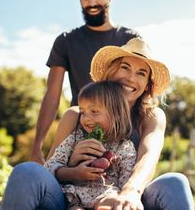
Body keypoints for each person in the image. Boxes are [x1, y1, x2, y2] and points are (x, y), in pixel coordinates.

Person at [1, 37, 195, 210]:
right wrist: (72, 163)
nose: (131, 77)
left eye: (141, 73)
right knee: (26, 171)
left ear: (148, 85)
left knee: (175, 181)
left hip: (123, 196)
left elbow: (148, 158)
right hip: (69, 198)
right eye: (125, 67)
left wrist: (130, 192)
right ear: (111, 72)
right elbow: (50, 170)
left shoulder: (151, 116)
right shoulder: (75, 116)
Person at [30, 0, 140, 164]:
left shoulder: (130, 39)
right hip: (81, 130)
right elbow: (52, 95)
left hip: (123, 130)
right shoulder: (66, 41)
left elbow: (140, 87)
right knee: (57, 178)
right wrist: (37, 144)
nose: (91, 3)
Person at [45, 80, 136, 209]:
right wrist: (74, 172)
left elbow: (126, 181)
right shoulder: (75, 139)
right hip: (74, 196)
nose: (86, 118)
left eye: (94, 111)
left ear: (116, 114)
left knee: (111, 201)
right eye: (83, 112)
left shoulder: (124, 147)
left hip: (105, 194)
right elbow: (50, 167)